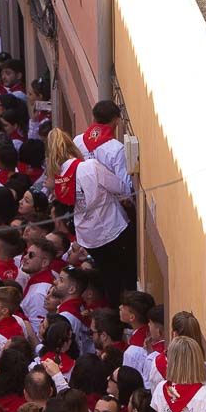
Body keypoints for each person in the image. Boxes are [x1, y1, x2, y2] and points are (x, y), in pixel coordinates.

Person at [47, 128, 136, 305]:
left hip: (89, 236)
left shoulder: (60, 177)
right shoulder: (89, 166)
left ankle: (115, 314)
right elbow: (121, 187)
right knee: (129, 275)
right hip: (112, 228)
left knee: (110, 279)